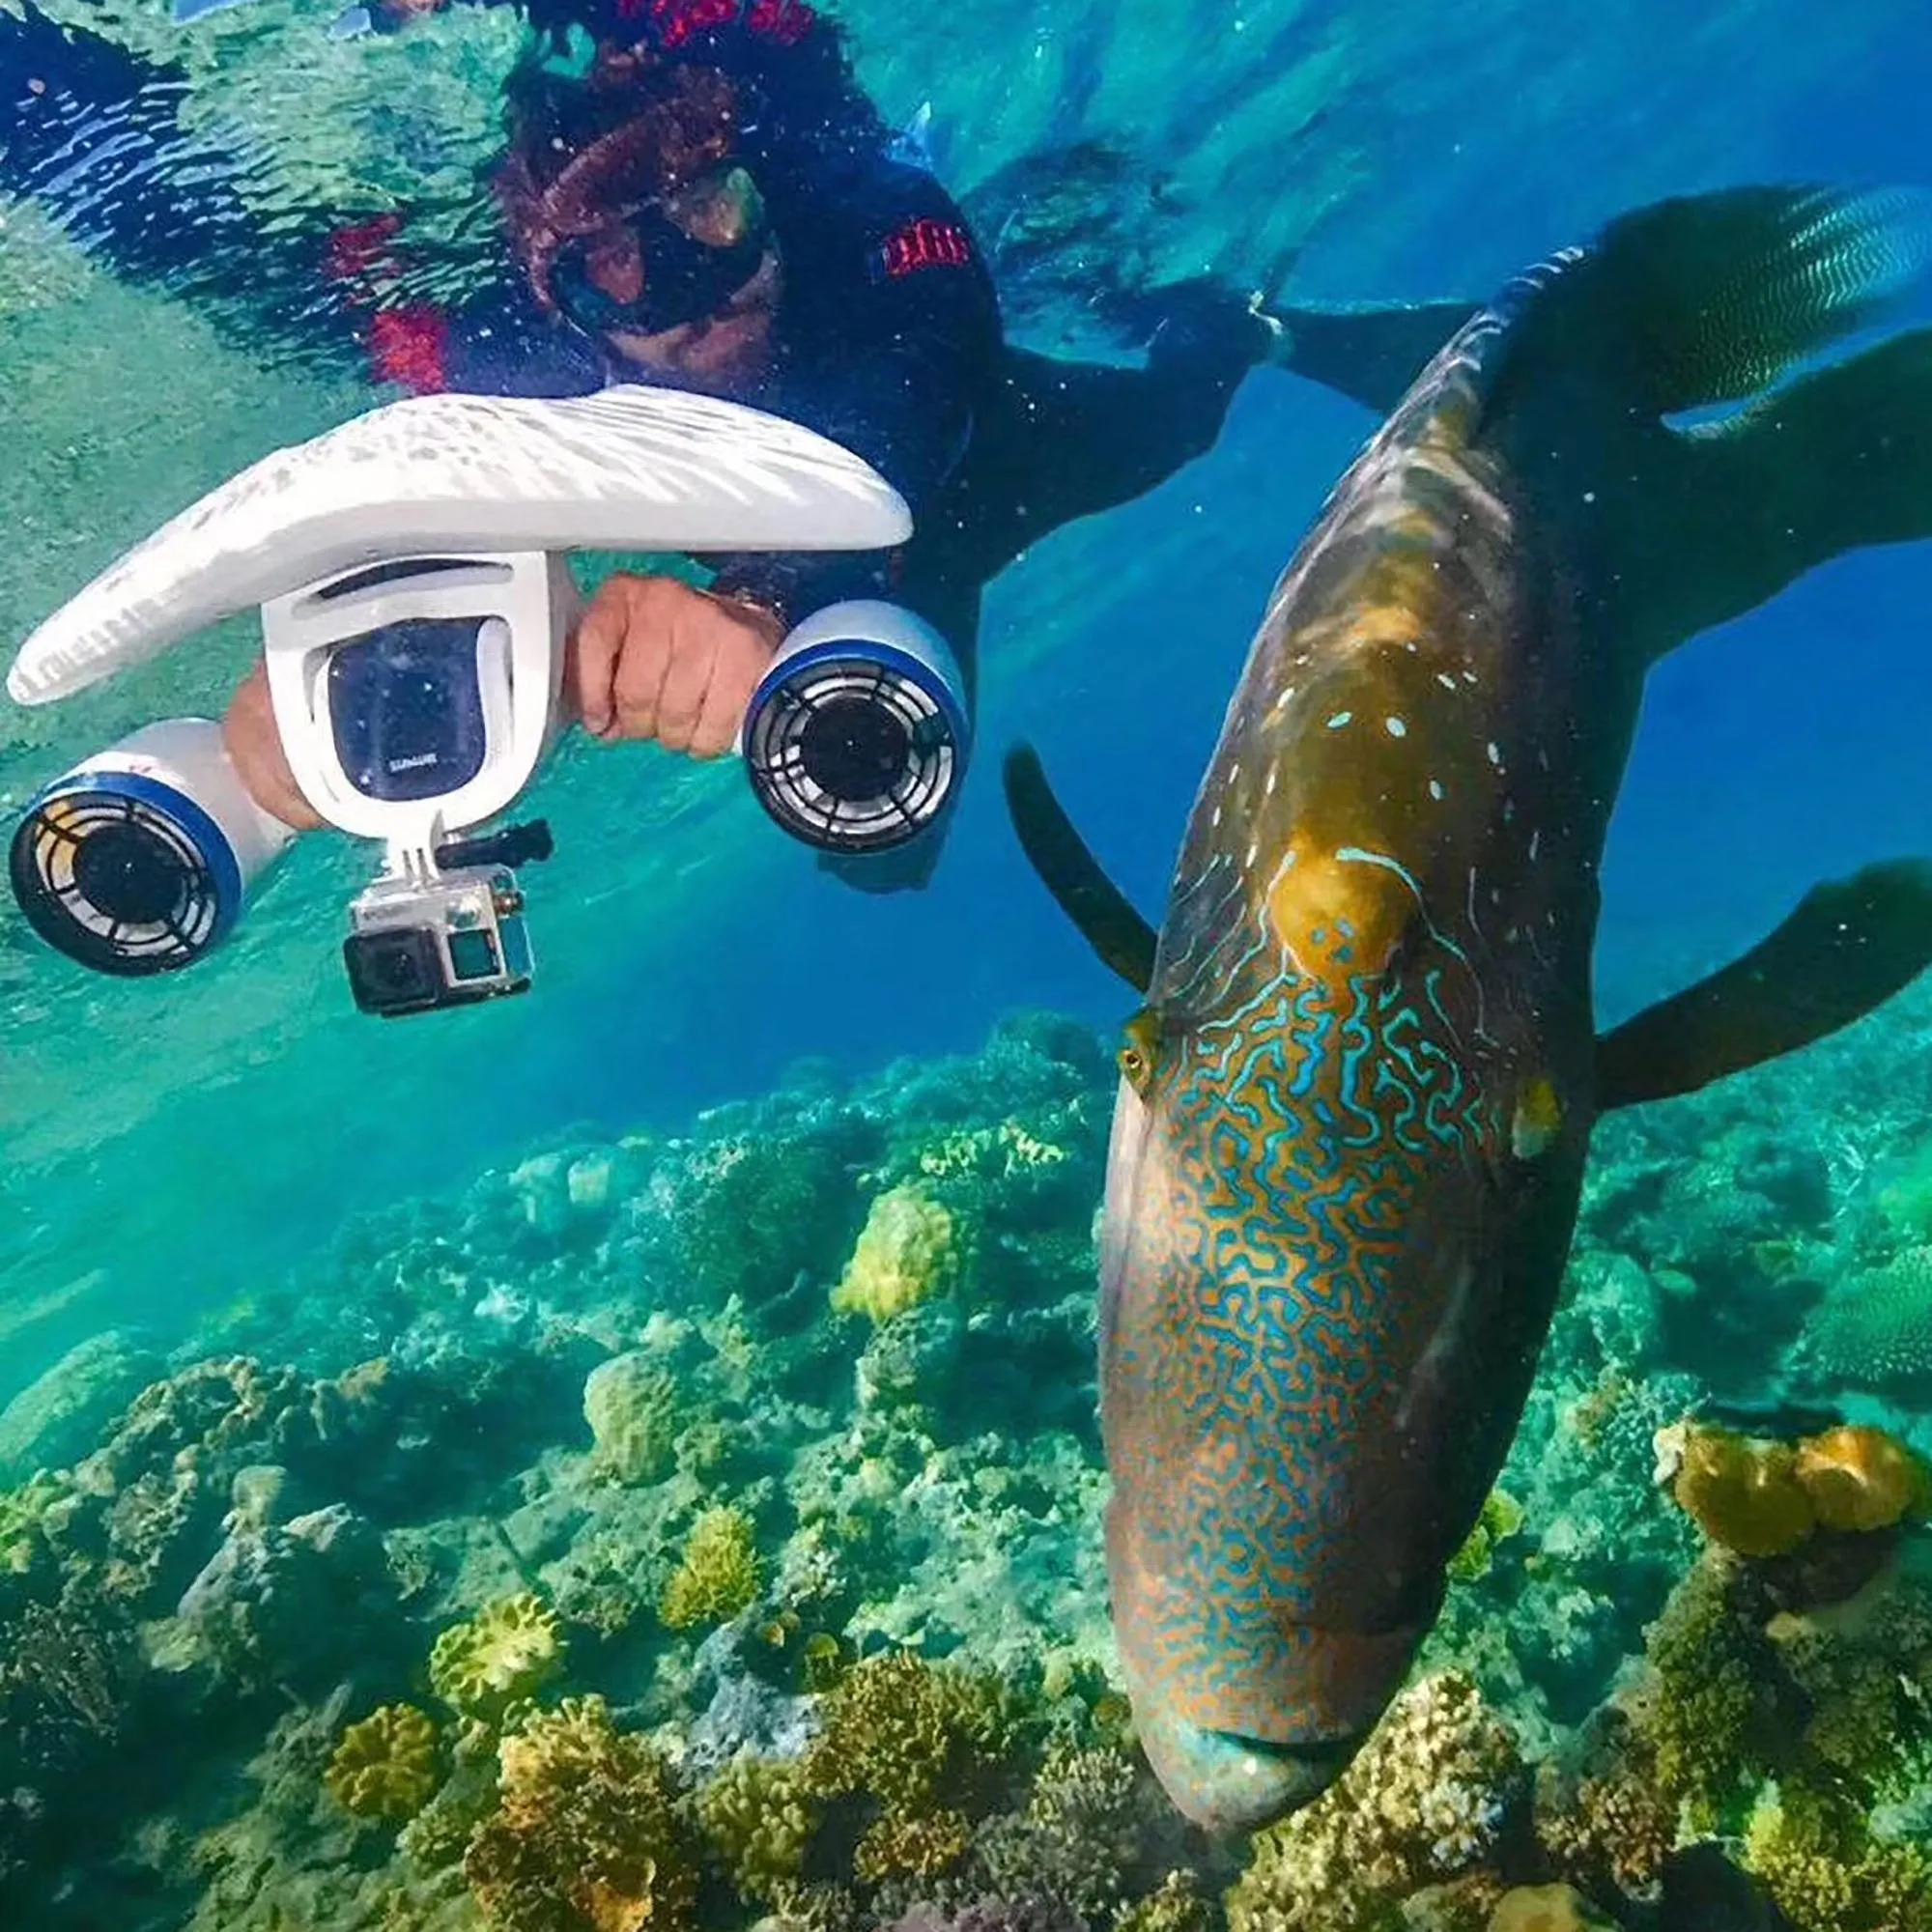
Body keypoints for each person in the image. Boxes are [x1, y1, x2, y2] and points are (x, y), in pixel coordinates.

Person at [1, 0, 1472, 891]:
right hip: (803, 549)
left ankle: (1253, 326)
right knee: (879, 843)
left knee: (1174, 415)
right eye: (612, 277)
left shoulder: (861, 214)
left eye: (706, 227)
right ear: (551, 291)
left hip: (971, 462)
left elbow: (930, 358)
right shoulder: (499, 345)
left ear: (759, 192)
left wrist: (764, 590)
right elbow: (181, 230)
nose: (682, 308)